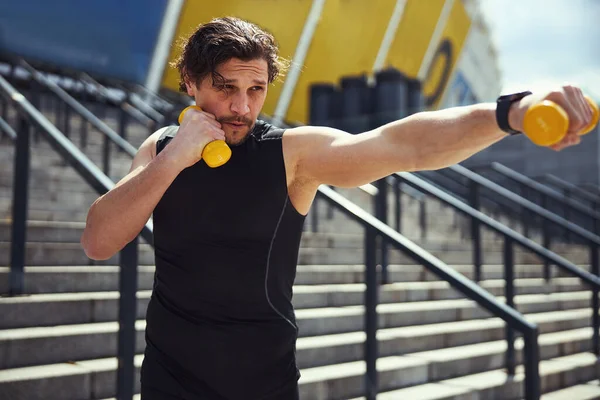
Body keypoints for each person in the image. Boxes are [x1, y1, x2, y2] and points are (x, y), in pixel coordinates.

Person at [80, 16, 595, 400]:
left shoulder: (292, 155)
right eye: (225, 88)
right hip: (170, 381)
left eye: (256, 89)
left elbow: (403, 145)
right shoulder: (159, 149)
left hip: (263, 384)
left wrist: (510, 112)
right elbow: (98, 242)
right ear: (190, 84)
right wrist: (173, 158)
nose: (241, 107)